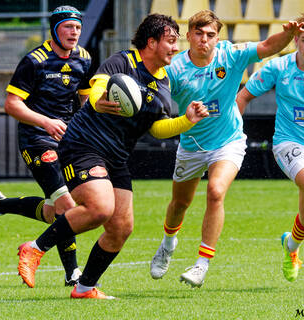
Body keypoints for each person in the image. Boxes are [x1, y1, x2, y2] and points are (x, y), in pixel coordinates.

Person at [15, 13, 209, 299]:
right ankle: (35, 247)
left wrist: (187, 120)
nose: (175, 47)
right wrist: (101, 100)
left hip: (116, 157)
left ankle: (84, 288)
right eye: (170, 41)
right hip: (83, 144)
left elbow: (156, 130)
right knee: (100, 208)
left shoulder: (164, 84)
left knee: (121, 227)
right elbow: (97, 90)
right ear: (152, 42)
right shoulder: (123, 61)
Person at [150, 9, 304, 288]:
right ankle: (168, 243)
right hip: (191, 146)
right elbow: (153, 101)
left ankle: (201, 264)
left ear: (217, 37)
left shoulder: (230, 55)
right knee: (179, 204)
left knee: (215, 191)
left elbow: (269, 46)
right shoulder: (173, 70)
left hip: (229, 142)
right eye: (198, 34)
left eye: (210, 35)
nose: (204, 40)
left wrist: (289, 33)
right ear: (188, 36)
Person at [0, 5, 93, 287]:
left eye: (78, 28)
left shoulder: (84, 58)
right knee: (67, 206)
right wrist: (45, 122)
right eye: (68, 27)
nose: (74, 33)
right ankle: (73, 273)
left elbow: (84, 101)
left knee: (52, 212)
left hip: (67, 140)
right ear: (55, 29)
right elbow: (11, 104)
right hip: (36, 139)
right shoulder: (34, 61)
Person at [236, 13, 304, 283]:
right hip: (290, 142)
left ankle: (292, 246)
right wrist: (233, 136)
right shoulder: (278, 68)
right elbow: (243, 97)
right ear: (296, 40)